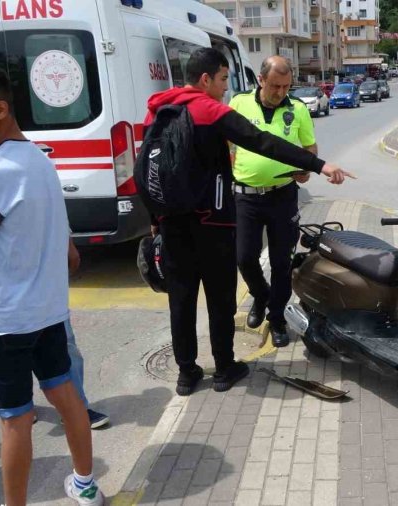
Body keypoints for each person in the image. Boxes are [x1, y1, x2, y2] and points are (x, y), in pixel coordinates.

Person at [144, 48, 352, 396]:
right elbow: (263, 142)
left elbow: (152, 170)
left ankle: (186, 374)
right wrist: (320, 165)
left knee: (180, 300)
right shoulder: (210, 110)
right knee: (220, 298)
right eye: (223, 79)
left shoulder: (159, 110)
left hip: (171, 223)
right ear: (205, 79)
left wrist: (155, 221)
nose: (226, 87)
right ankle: (224, 368)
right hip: (212, 223)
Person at [0, 63, 102, 506]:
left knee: (15, 419)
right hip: (48, 310)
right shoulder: (41, 161)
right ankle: (85, 485)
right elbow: (66, 251)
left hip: (4, 320)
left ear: (0, 109)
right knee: (66, 396)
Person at [0, 130, 109, 430]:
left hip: (40, 283)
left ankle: (77, 406)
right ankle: (23, 408)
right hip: (1, 291)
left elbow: (52, 206)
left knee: (66, 349)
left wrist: (66, 243)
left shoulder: (26, 162)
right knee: (14, 371)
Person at [230, 55, 317, 348]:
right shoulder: (239, 103)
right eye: (275, 86)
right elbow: (227, 146)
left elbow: (310, 148)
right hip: (246, 198)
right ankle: (260, 294)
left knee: (282, 262)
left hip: (283, 196)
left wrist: (306, 168)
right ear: (261, 80)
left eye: (286, 86)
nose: (281, 93)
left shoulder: (298, 109)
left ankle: (277, 318)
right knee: (244, 257)